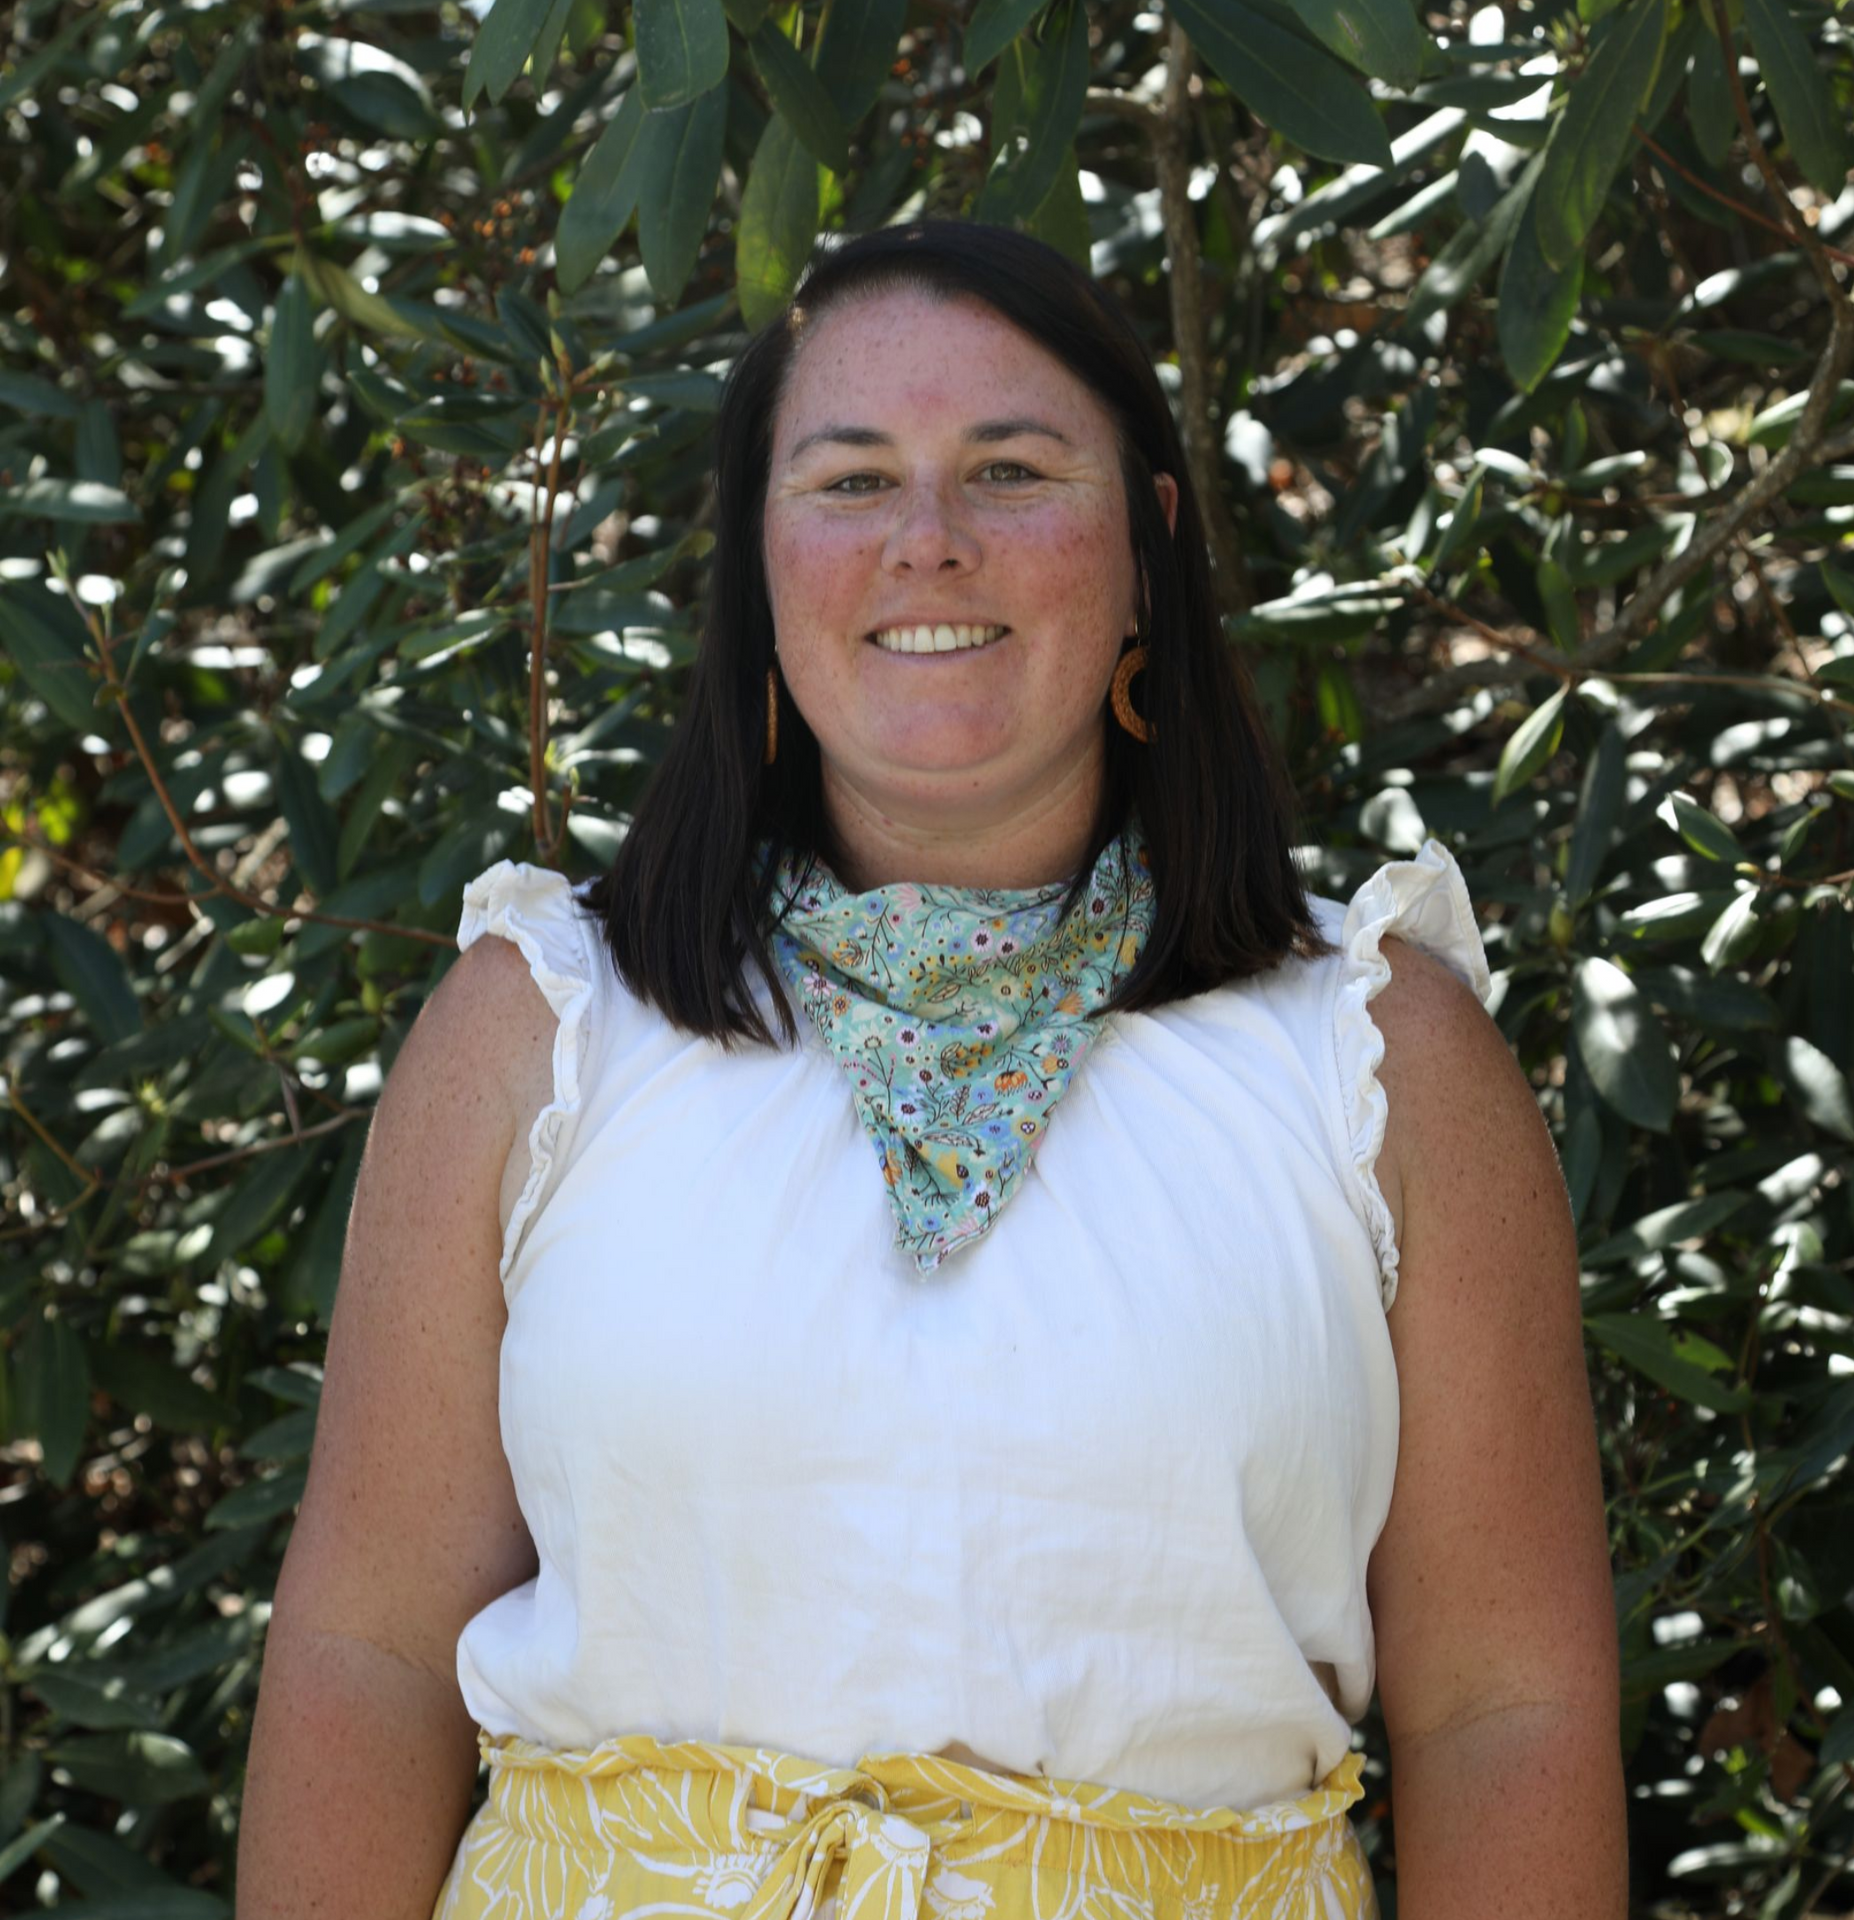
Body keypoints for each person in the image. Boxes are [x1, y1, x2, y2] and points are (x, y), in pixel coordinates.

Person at [235, 220, 1625, 1920]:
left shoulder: (1378, 1063)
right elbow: (368, 1653)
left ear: (1146, 543)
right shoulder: (542, 1030)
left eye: (1012, 471)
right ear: (755, 566)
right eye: (848, 481)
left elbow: (1508, 1715)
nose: (929, 544)